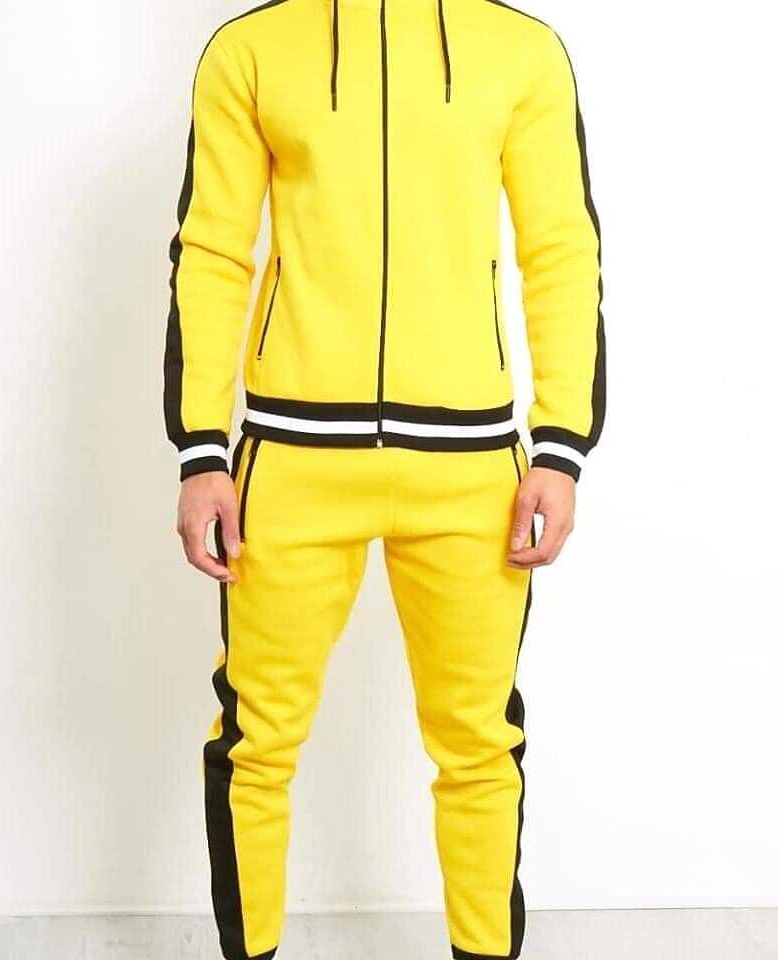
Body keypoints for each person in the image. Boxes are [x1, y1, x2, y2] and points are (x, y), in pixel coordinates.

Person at [163, 0, 603, 957]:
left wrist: (561, 446)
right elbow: (212, 251)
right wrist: (201, 450)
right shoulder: (249, 49)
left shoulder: (522, 50)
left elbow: (562, 251)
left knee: (480, 747)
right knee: (255, 745)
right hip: (291, 460)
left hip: (473, 470)